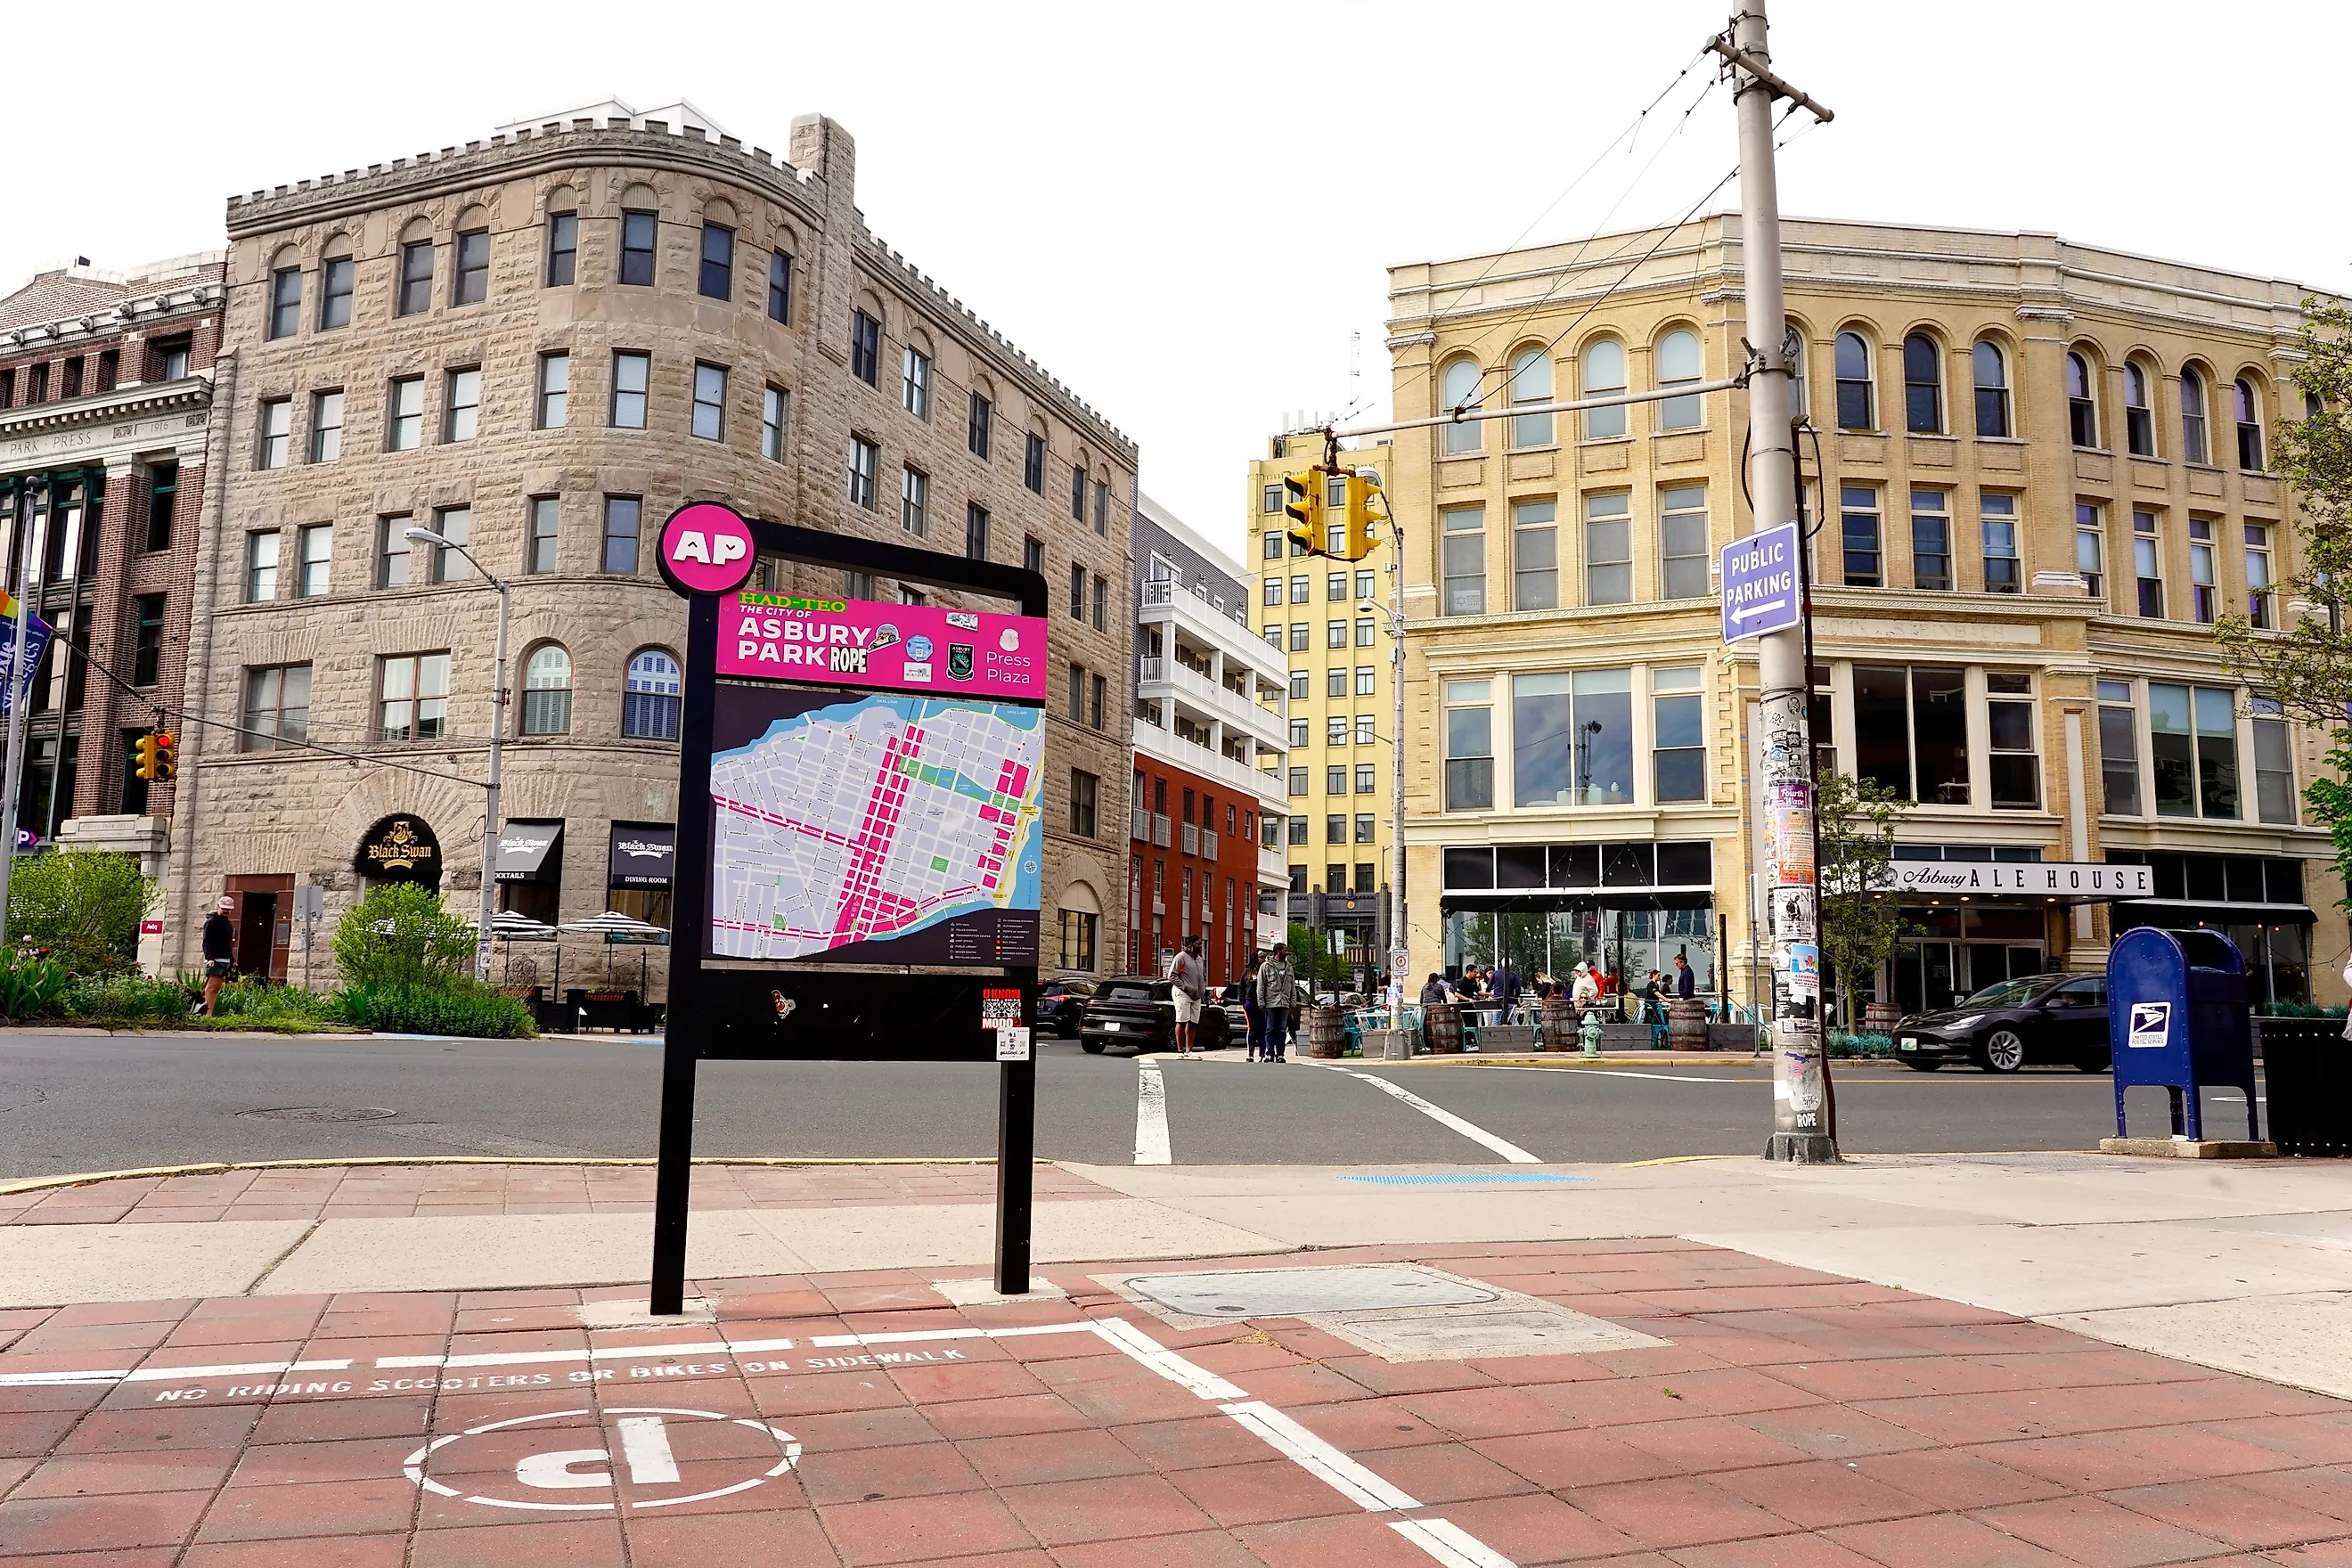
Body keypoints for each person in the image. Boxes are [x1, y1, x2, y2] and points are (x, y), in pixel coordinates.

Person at [1257, 943, 1299, 1064]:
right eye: (1285, 951)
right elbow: (1261, 986)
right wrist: (1261, 1003)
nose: (1287, 953)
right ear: (1278, 951)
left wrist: (1293, 1002)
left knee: (1282, 1030)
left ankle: (1280, 1054)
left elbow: (1292, 986)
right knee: (1270, 1029)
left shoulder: (1289, 967)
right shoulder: (1266, 966)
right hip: (1271, 1003)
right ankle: (1269, 1054)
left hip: (1285, 1003)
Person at [1170, 935, 1206, 1058]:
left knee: (1193, 1022)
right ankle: (1180, 1051)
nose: (1200, 946)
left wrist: (1203, 990)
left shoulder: (1200, 960)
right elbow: (1172, 976)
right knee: (1182, 1020)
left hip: (1196, 995)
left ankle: (1189, 1050)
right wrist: (1185, 987)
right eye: (1198, 943)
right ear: (1191, 945)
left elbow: (1203, 976)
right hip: (1183, 993)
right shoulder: (1180, 957)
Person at [201, 895, 237, 1016]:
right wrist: (209, 958)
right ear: (219, 906)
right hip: (215, 959)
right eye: (224, 908)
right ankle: (206, 1013)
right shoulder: (211, 923)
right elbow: (207, 941)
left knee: (216, 988)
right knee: (211, 987)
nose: (226, 911)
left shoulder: (228, 924)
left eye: (228, 909)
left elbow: (228, 943)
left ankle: (209, 1012)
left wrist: (232, 960)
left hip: (225, 959)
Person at [1240, 951, 1267, 1063]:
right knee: (1252, 1029)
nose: (1264, 959)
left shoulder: (1265, 971)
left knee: (1262, 1030)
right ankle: (1250, 1054)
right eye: (1261, 957)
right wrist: (1244, 1002)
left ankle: (1263, 1054)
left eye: (1265, 957)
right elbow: (1241, 987)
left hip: (1262, 1005)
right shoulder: (1247, 972)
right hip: (1250, 1004)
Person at [1492, 958, 1523, 1025]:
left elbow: (1489, 985)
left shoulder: (1496, 973)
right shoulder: (1513, 975)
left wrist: (1489, 993)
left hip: (1497, 1000)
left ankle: (1494, 1034)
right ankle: (1518, 1034)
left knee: (1496, 1019)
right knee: (1514, 1019)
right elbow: (1518, 989)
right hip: (1510, 1000)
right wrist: (1516, 998)